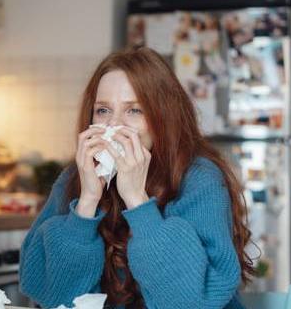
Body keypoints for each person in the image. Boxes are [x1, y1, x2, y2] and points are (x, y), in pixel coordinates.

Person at [19, 47, 252, 308]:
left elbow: (190, 302)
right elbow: (52, 296)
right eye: (103, 111)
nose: (114, 126)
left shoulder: (200, 179)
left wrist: (138, 203)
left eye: (135, 111)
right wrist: (87, 203)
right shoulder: (74, 179)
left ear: (163, 116)